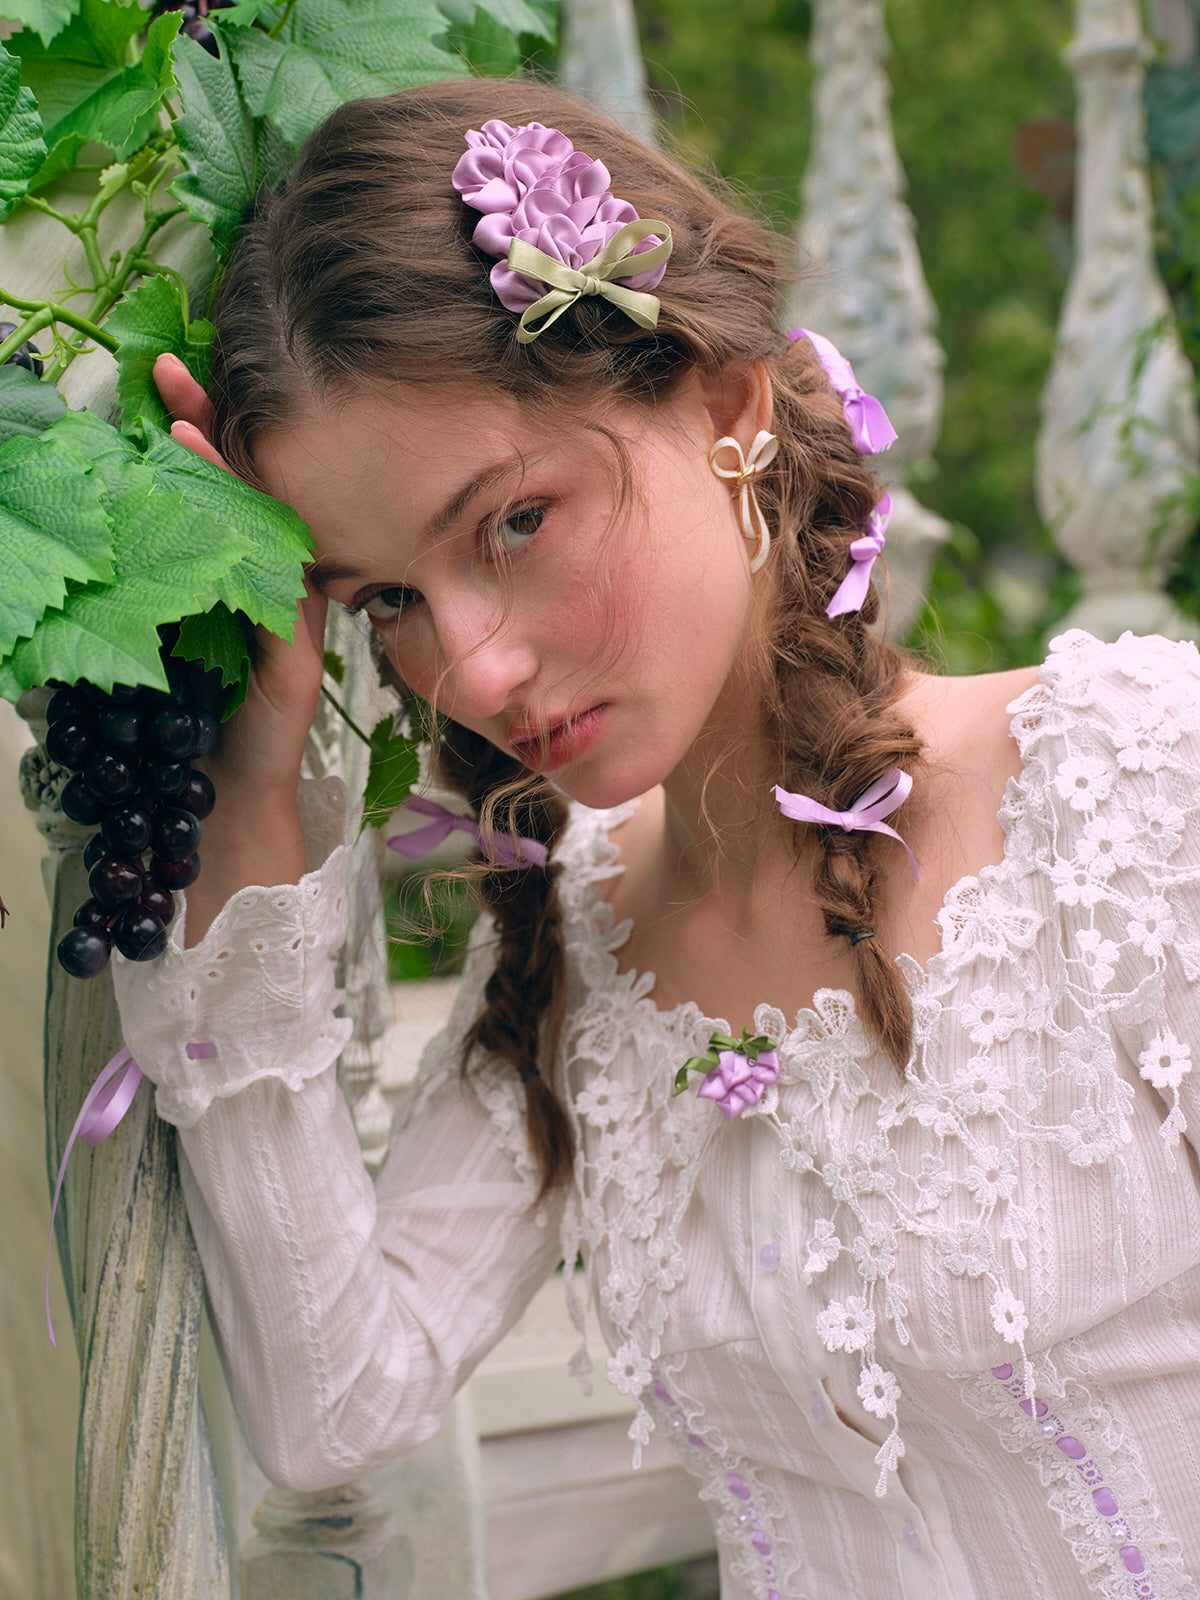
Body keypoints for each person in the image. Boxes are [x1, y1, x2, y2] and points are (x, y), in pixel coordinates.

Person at [115, 75, 1200, 1600]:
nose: (473, 670)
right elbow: (329, 1406)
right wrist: (248, 812)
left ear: (725, 400)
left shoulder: (1139, 783)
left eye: (513, 522)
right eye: (387, 601)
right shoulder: (583, 940)